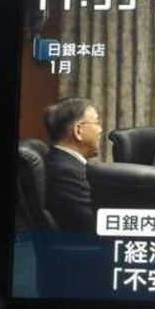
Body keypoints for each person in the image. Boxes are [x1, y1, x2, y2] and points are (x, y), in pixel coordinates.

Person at [43, 97, 102, 232]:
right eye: (97, 122)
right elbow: (93, 224)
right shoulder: (65, 172)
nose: (100, 130)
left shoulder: (64, 163)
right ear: (78, 130)